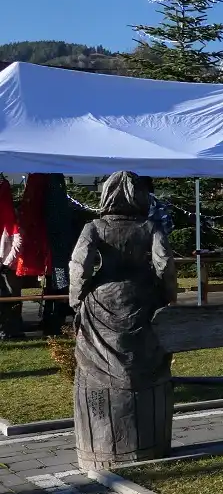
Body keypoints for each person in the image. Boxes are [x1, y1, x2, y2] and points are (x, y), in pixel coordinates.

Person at [68, 171, 176, 461]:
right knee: (144, 367)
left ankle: (104, 445)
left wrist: (76, 300)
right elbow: (164, 264)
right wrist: (167, 296)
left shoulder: (94, 227)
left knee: (97, 371)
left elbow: (78, 267)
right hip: (143, 298)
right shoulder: (150, 227)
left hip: (101, 303)